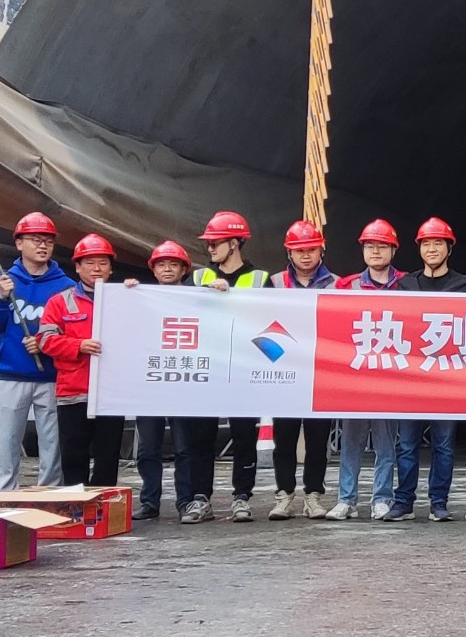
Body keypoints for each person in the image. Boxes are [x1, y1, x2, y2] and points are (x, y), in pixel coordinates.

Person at [181, 210, 271, 521]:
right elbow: (173, 306)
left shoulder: (260, 279)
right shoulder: (198, 278)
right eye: (207, 244)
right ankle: (200, 498)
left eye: (214, 243)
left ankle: (242, 497)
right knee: (200, 436)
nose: (209, 248)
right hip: (207, 368)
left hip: (243, 369)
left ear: (234, 243)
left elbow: (271, 319)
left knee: (244, 435)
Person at [0, 211, 74, 491]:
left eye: (48, 241)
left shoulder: (67, 287)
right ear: (19, 243)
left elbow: (75, 334)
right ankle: (4, 495)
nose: (42, 246)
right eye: (35, 239)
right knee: (6, 441)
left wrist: (47, 344)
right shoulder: (1, 283)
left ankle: (50, 496)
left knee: (53, 444)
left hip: (54, 378)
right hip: (11, 375)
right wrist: (0, 299)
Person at [393, 217, 466, 521]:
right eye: (426, 243)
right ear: (419, 248)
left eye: (438, 243)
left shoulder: (463, 286)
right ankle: (403, 502)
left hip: (446, 380)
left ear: (449, 248)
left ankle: (439, 502)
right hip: (411, 380)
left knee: (444, 445)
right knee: (406, 445)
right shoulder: (405, 285)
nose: (432, 249)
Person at [329, 220, 405, 521]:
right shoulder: (346, 286)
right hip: (355, 379)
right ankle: (346, 499)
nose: (376, 251)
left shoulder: (407, 285)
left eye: (382, 246)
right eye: (370, 246)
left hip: (389, 378)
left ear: (393, 250)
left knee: (386, 445)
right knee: (351, 443)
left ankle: (382, 498)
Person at [36, 234, 121, 487]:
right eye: (90, 263)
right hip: (73, 391)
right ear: (77, 267)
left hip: (112, 394)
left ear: (111, 268)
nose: (97, 269)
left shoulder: (124, 300)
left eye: (103, 263)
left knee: (108, 457)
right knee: (73, 455)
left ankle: (103, 505)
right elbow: (45, 340)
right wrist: (78, 346)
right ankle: (76, 504)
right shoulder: (60, 302)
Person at [268, 219, 337, 519]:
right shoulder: (275, 283)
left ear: (321, 250)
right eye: (299, 250)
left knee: (317, 440)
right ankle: (284, 495)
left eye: (311, 249)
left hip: (321, 374)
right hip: (285, 372)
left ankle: (313, 496)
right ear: (289, 253)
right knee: (283, 438)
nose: (305, 255)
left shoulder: (337, 284)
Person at [129, 240, 195, 521]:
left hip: (183, 383)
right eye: (161, 264)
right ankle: (149, 502)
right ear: (153, 270)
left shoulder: (197, 298)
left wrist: (216, 290)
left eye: (173, 264)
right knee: (147, 449)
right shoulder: (139, 297)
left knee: (184, 448)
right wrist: (126, 293)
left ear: (183, 269)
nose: (167, 269)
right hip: (150, 384)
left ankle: (185, 501)